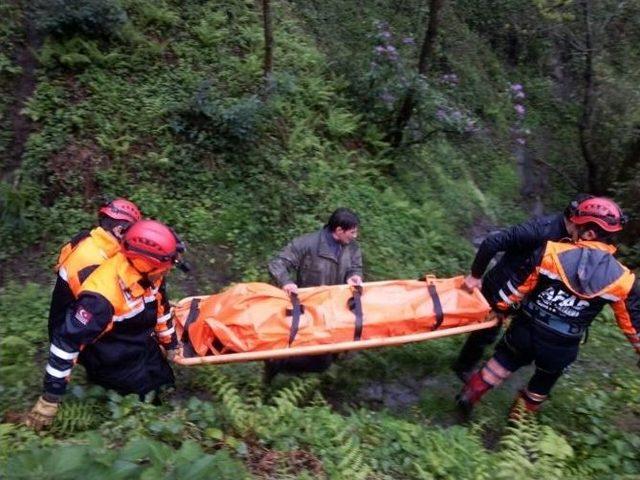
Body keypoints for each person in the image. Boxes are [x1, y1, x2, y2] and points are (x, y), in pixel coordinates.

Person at [455, 197, 639, 417]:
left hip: (526, 329)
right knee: (543, 381)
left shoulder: (550, 253)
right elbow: (633, 326)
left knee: (503, 361)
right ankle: (518, 425)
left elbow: (517, 287)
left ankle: (469, 396)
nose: (572, 229)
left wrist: (501, 309)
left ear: (588, 233)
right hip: (562, 345)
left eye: (576, 226)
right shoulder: (624, 280)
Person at [26, 219, 184, 431]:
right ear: (146, 263)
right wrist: (50, 397)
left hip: (140, 343)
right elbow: (66, 343)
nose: (169, 271)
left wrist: (171, 343)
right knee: (145, 406)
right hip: (111, 360)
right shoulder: (100, 300)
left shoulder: (152, 275)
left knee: (165, 382)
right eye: (167, 266)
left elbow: (161, 309)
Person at [451, 194, 597, 382]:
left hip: (525, 293)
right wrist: (475, 275)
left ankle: (499, 362)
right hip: (501, 287)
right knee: (486, 332)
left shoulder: (572, 240)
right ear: (577, 220)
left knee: (513, 331)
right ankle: (463, 367)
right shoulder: (539, 229)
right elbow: (492, 242)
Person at [265, 208, 363, 380]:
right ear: (339, 230)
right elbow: (276, 263)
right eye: (352, 232)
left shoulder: (352, 247)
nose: (355, 236)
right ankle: (274, 367)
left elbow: (356, 267)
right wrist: (286, 282)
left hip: (337, 308)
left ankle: (298, 374)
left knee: (327, 358)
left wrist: (354, 276)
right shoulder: (307, 244)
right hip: (309, 309)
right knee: (319, 360)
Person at [48, 198, 142, 340]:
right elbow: (101, 306)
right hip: (72, 330)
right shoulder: (93, 262)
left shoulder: (88, 238)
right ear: (119, 230)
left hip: (71, 311)